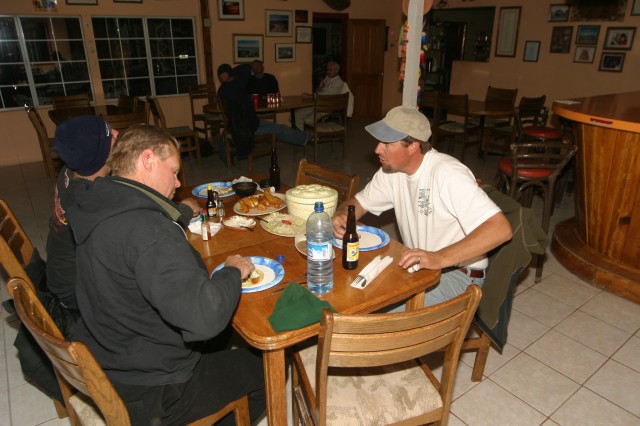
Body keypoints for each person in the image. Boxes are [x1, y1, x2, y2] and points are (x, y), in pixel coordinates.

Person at [67, 124, 265, 425]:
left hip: (112, 354)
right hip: (155, 388)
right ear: (147, 160)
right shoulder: (148, 231)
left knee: (226, 331)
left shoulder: (100, 203)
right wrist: (233, 271)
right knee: (268, 367)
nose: (178, 181)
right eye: (173, 171)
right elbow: (204, 318)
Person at [332, 106, 513, 307]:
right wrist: (342, 214)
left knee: (371, 313)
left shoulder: (447, 173)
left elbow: (501, 229)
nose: (377, 149)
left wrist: (438, 258)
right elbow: (358, 203)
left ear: (412, 146)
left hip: (457, 276)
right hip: (418, 268)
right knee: (350, 291)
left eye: (387, 144)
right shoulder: (391, 172)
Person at [46, 115, 118, 335]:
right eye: (110, 136)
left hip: (61, 275)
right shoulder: (89, 201)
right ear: (99, 156)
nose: (117, 134)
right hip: (76, 292)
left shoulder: (70, 172)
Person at [217, 63, 307, 157]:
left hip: (249, 123)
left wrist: (228, 74)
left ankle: (304, 137)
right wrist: (231, 72)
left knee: (281, 127)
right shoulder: (237, 84)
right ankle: (305, 138)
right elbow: (246, 67)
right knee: (281, 129)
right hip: (248, 128)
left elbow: (246, 68)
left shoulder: (222, 90)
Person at [296, 61, 351, 130]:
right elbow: (318, 90)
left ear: (336, 71)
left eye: (330, 70)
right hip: (316, 103)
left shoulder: (339, 82)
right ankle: (301, 134)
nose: (328, 72)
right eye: (327, 70)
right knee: (295, 116)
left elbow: (328, 95)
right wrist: (319, 88)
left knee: (307, 121)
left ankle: (306, 134)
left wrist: (310, 96)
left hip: (326, 107)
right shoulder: (327, 77)